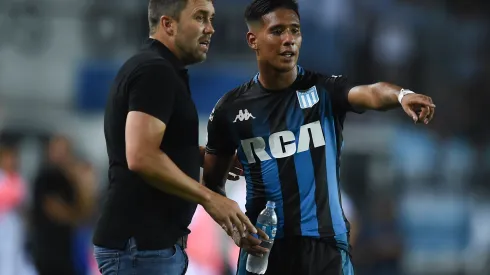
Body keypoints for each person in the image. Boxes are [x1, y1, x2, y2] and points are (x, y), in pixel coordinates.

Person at [202, 0, 436, 274]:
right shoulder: (230, 110)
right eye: (278, 31)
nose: (289, 40)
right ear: (253, 40)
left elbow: (370, 93)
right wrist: (235, 228)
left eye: (295, 30)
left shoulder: (324, 90)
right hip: (264, 254)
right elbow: (212, 187)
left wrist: (401, 95)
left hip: (325, 253)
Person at [92, 1, 256, 274]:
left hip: (146, 247)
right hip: (141, 249)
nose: (211, 29)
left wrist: (198, 156)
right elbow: (141, 156)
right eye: (200, 18)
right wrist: (210, 198)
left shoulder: (157, 68)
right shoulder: (155, 71)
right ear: (168, 24)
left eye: (212, 19)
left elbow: (150, 146)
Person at [30, 135, 96, 275]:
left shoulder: (69, 180)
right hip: (47, 249)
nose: (61, 155)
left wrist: (83, 184)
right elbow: (56, 211)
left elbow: (86, 211)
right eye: (57, 150)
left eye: (64, 151)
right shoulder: (44, 177)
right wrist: (75, 218)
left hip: (68, 249)